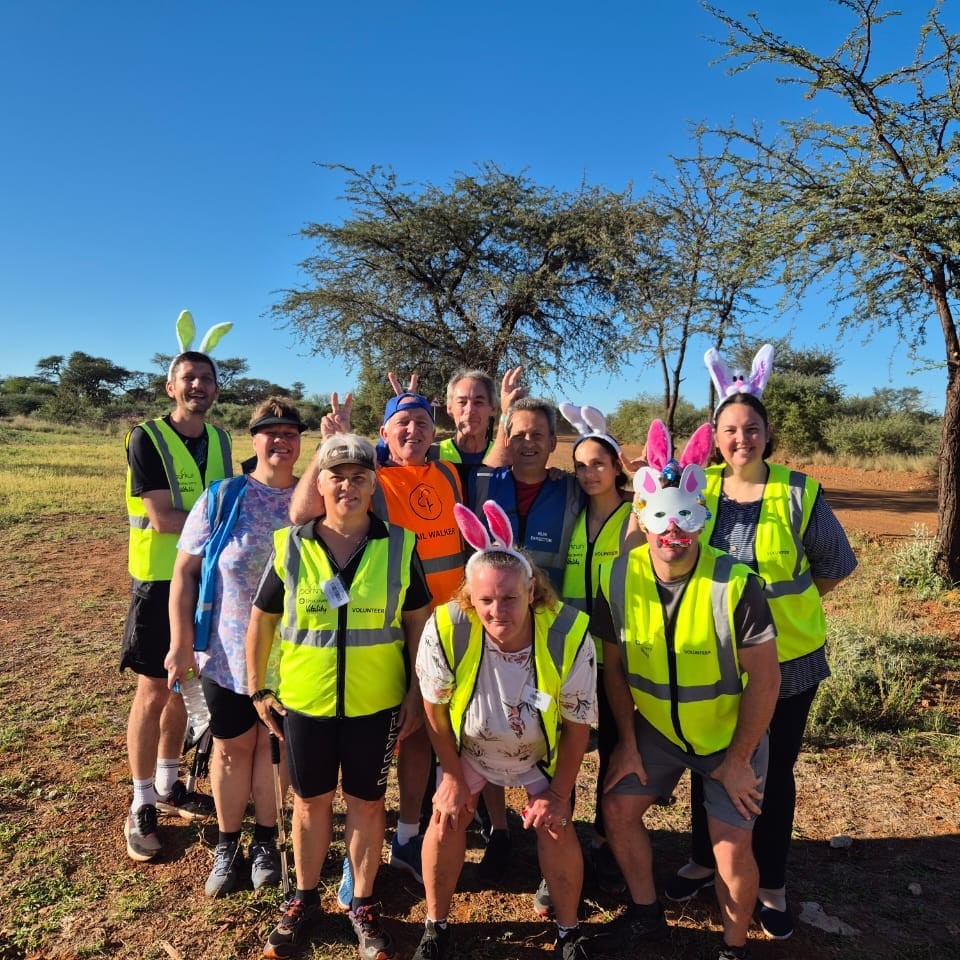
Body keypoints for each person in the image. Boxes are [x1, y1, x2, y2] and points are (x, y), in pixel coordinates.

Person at [663, 345, 857, 941]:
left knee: (771, 771)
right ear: (714, 436)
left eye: (751, 429)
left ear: (767, 433)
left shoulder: (799, 491)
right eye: (729, 430)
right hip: (713, 660)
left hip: (789, 663)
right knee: (709, 759)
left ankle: (770, 881)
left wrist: (782, 616)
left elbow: (833, 566)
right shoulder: (700, 486)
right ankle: (703, 858)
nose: (741, 438)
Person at [595, 417, 781, 960]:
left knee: (730, 849)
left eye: (684, 521)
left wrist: (739, 759)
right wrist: (627, 742)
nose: (672, 533)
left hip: (729, 736)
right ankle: (647, 913)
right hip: (655, 733)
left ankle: (732, 947)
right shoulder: (619, 576)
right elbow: (614, 669)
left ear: (700, 519)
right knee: (618, 810)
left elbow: (766, 680)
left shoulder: (736, 583)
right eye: (660, 520)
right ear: (643, 520)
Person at [248, 434, 432, 960]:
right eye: (336, 476)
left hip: (376, 704)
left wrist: (417, 691)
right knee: (308, 804)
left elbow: (419, 624)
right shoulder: (291, 545)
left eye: (358, 476)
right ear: (320, 484)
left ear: (374, 484)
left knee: (368, 805)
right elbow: (261, 623)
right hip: (305, 703)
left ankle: (364, 904)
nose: (347, 485)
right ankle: (305, 900)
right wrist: (259, 686)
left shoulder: (399, 544)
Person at [289, 388, 466, 888]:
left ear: (436, 433)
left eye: (423, 424)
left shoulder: (449, 472)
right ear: (383, 434)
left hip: (453, 624)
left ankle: (408, 835)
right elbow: (301, 514)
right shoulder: (370, 475)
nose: (414, 432)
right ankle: (356, 855)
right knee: (400, 738)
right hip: (398, 625)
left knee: (428, 735)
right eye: (401, 424)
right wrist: (335, 441)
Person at [412, 501, 597, 960]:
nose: (498, 611)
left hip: (537, 756)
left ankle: (569, 932)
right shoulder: (446, 627)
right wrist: (452, 776)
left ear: (531, 591)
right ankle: (435, 926)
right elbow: (434, 712)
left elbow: (576, 728)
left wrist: (557, 794)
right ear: (469, 598)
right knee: (445, 818)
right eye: (486, 600)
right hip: (471, 752)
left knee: (558, 825)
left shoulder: (568, 634)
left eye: (510, 598)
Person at [166, 397, 306, 896]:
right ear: (253, 439)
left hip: (290, 657)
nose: (280, 440)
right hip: (224, 653)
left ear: (300, 442)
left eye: (290, 432)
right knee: (230, 750)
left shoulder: (312, 501)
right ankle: (228, 846)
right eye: (270, 432)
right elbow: (184, 573)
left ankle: (266, 841)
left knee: (274, 748)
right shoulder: (223, 497)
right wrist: (181, 642)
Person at [120, 342, 233, 862]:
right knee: (154, 690)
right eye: (188, 378)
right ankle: (141, 800)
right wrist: (226, 525)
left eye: (206, 379)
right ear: (171, 387)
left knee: (186, 680)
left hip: (207, 583)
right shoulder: (147, 438)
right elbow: (164, 517)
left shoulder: (221, 440)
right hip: (159, 583)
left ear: (215, 388)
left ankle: (169, 782)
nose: (197, 386)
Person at [558, 403, 633, 897]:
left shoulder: (637, 514)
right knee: (566, 749)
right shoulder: (569, 515)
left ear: (617, 467)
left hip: (622, 657)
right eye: (580, 466)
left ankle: (608, 841)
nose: (588, 474)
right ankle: (560, 839)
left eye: (598, 464)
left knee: (614, 749)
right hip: (569, 655)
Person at [470, 397, 584, 591]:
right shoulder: (479, 482)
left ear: (552, 443)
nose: (528, 443)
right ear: (506, 441)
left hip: (549, 611)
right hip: (494, 612)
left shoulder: (575, 490)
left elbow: (620, 498)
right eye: (519, 435)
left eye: (537, 435)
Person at [431, 369, 497, 464]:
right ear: (449, 408)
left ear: (493, 409)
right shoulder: (431, 455)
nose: (470, 410)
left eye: (478, 402)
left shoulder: (506, 456)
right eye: (462, 402)